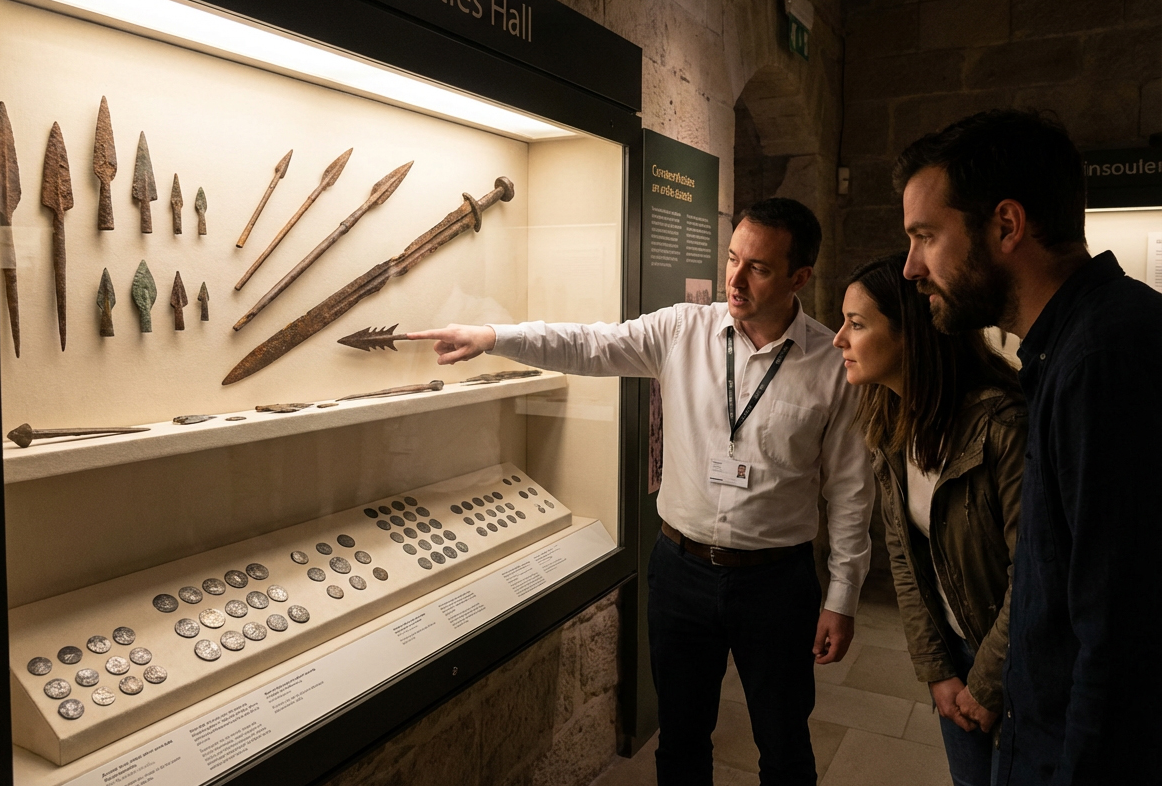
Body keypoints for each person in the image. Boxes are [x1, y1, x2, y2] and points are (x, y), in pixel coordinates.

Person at [409, 198, 874, 786]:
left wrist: (842, 596)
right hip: (682, 573)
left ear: (798, 277)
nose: (735, 279)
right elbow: (588, 344)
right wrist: (493, 335)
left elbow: (851, 489)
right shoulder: (684, 329)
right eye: (732, 257)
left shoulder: (831, 365)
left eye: (757, 268)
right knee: (680, 738)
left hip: (775, 584)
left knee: (783, 745)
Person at [896, 108, 1162, 785]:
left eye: (926, 236)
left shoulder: (1102, 358)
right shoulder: (1074, 348)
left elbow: (1118, 638)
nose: (912, 267)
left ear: (1007, 226)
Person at [833, 253, 1024, 785]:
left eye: (856, 324)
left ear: (910, 335)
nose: (839, 339)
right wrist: (938, 669)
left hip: (1015, 663)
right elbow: (904, 555)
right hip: (958, 654)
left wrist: (986, 684)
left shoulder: (1003, 426)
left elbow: (1034, 576)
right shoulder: (894, 421)